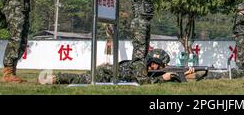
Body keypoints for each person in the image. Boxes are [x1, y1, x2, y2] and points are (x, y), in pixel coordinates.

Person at [49, 49, 196, 85]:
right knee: (80, 79)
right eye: (158, 65)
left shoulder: (148, 68)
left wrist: (186, 73)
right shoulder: (140, 66)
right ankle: (54, 78)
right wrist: (163, 79)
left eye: (161, 66)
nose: (157, 67)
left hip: (109, 73)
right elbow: (144, 82)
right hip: (104, 75)